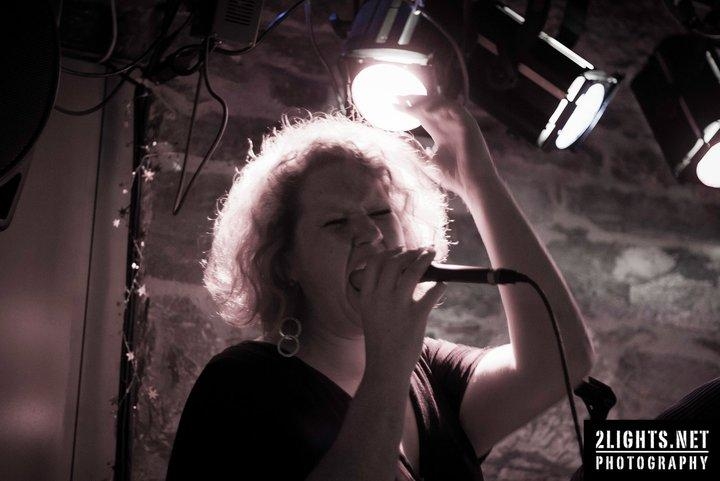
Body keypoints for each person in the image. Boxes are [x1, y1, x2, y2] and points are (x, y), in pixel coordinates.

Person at [165, 96, 595, 481]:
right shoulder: (242, 384)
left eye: (380, 212)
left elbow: (563, 359)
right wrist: (389, 362)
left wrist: (478, 181)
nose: (370, 234)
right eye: (337, 222)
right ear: (285, 261)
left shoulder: (432, 369)